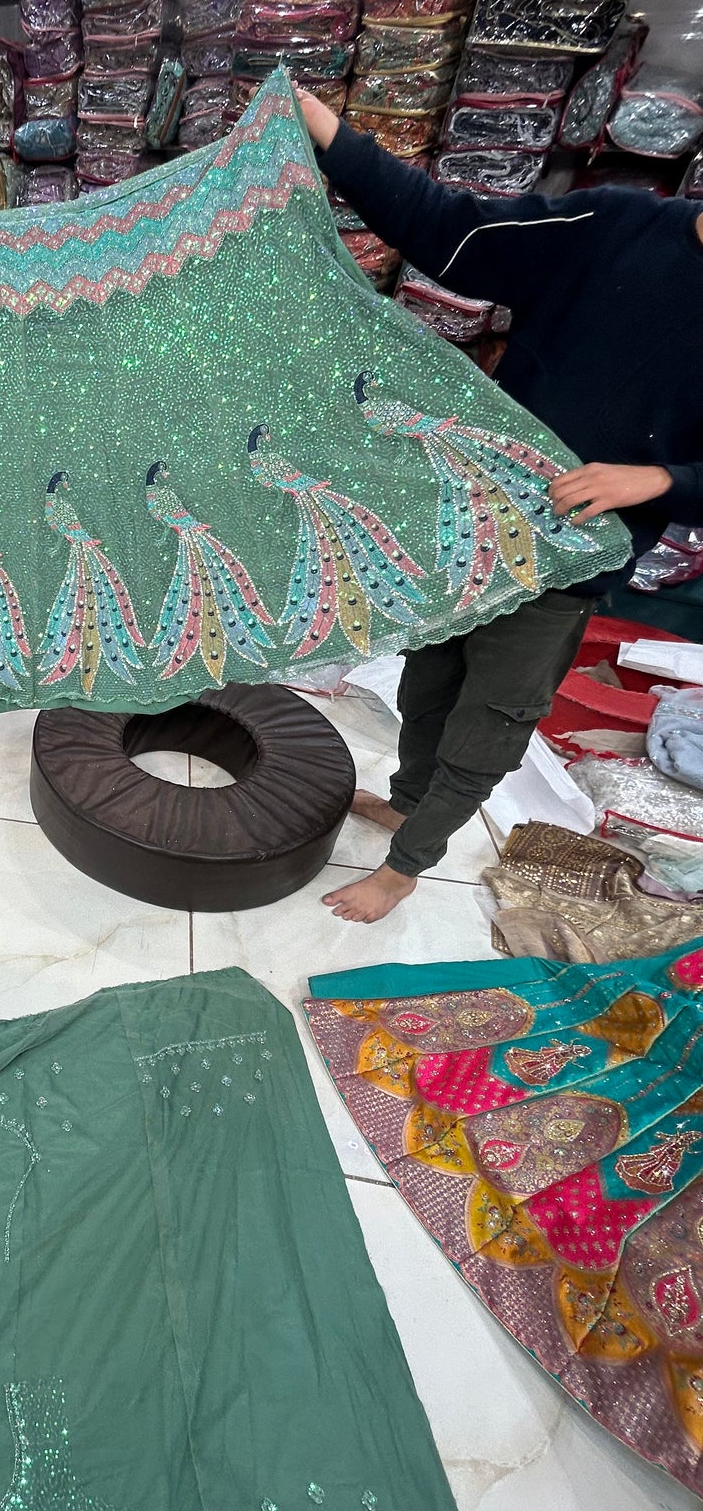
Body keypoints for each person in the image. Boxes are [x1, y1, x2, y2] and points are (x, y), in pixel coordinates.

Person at [295, 87, 703, 923]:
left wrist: (659, 481)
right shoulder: (620, 225)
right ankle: (408, 800)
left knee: (491, 720)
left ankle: (406, 868)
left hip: (574, 553)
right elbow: (455, 228)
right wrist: (323, 130)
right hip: (480, 518)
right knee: (429, 680)